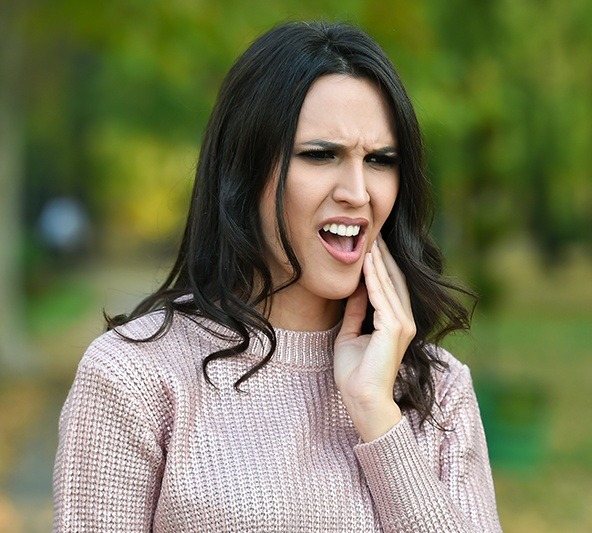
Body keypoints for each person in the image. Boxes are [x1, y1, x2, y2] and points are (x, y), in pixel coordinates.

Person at [53, 21, 502, 532]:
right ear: (244, 170)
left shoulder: (439, 389)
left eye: (380, 160)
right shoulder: (134, 376)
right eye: (320, 154)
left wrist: (375, 411)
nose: (358, 191)